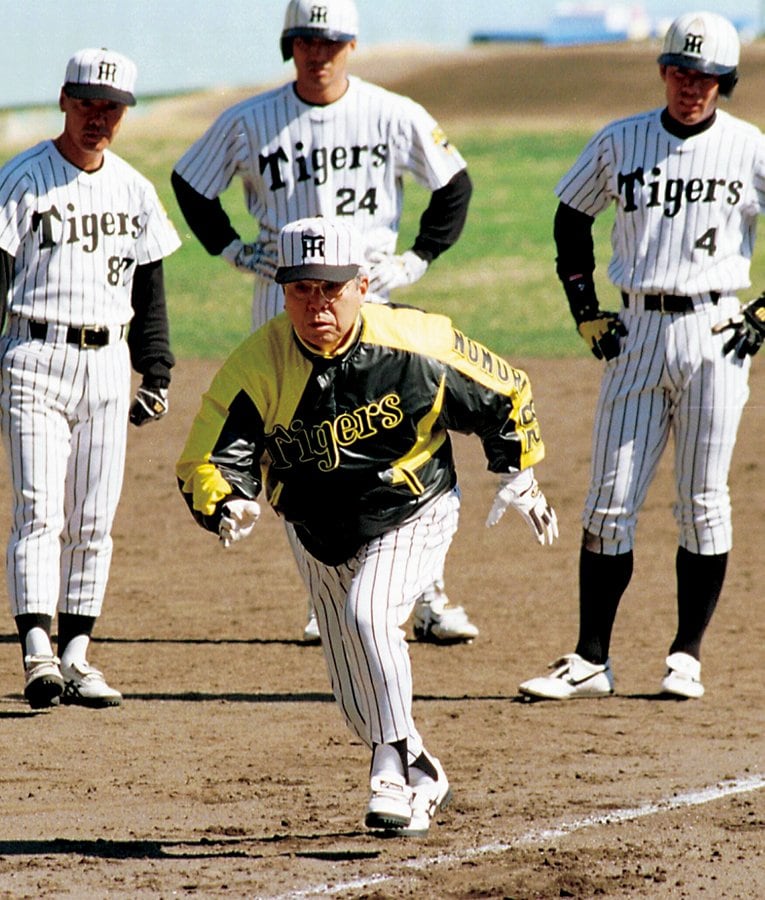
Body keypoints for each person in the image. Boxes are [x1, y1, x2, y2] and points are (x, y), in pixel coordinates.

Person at [176, 216, 558, 834]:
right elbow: (208, 458)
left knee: (370, 613)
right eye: (301, 288)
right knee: (359, 700)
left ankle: (387, 767)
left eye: (331, 288)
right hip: (315, 533)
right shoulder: (258, 364)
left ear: (363, 283)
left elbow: (506, 391)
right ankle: (420, 768)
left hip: (415, 507)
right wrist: (224, 501)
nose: (316, 303)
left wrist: (516, 470)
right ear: (282, 290)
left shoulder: (417, 343)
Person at [170, 0, 477, 645]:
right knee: (294, 447)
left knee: (401, 438)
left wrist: (418, 259)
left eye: (330, 40)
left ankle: (427, 596)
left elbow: (453, 183)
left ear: (352, 44)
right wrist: (230, 248)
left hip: (370, 299)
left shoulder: (393, 113)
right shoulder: (251, 120)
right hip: (285, 300)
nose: (318, 51)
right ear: (289, 44)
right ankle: (325, 592)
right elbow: (191, 180)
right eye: (305, 39)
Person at [518, 11, 765, 703]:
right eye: (681, 72)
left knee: (702, 498)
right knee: (607, 500)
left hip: (715, 331)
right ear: (663, 71)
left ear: (725, 82)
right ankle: (589, 658)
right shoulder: (619, 140)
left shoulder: (748, 148)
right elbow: (571, 215)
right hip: (634, 331)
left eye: (707, 76)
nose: (692, 87)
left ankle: (685, 654)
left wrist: (763, 314)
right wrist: (584, 310)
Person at [0, 48, 180, 710]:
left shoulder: (134, 189)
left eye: (110, 107)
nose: (97, 117)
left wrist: (155, 370)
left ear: (123, 112)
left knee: (94, 519)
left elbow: (150, 288)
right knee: (40, 511)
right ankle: (37, 652)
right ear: (64, 100)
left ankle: (77, 655)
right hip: (32, 355)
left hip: (107, 363)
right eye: (86, 103)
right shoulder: (21, 180)